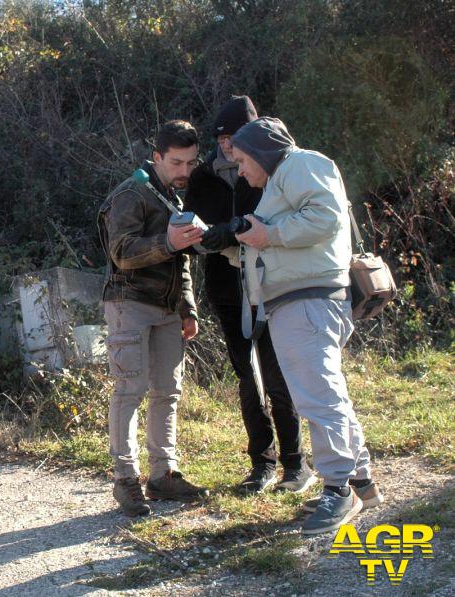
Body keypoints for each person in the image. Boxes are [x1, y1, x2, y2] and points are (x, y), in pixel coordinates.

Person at [231, 117, 383, 534]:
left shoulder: (298, 165)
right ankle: (360, 481)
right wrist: (232, 241)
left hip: (307, 301)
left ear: (262, 151)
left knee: (318, 398)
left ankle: (337, 490)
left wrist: (269, 234)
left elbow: (325, 218)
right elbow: (278, 240)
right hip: (303, 300)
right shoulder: (283, 180)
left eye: (243, 160)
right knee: (327, 393)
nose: (241, 171)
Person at [184, 96, 314, 494]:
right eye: (221, 137)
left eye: (234, 136)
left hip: (272, 284)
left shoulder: (277, 170)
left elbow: (282, 222)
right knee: (247, 376)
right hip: (226, 288)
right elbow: (191, 236)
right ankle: (262, 463)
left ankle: (296, 463)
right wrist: (205, 239)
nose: (227, 144)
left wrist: (238, 230)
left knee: (278, 375)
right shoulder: (202, 176)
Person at [97, 120, 210, 517]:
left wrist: (188, 309)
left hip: (166, 309)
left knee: (168, 391)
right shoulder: (132, 193)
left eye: (191, 163)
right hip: (130, 303)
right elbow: (122, 253)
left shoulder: (171, 197)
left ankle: (163, 474)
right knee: (130, 390)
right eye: (177, 162)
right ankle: (125, 479)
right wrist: (167, 241)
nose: (185, 171)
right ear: (157, 156)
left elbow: (180, 262)